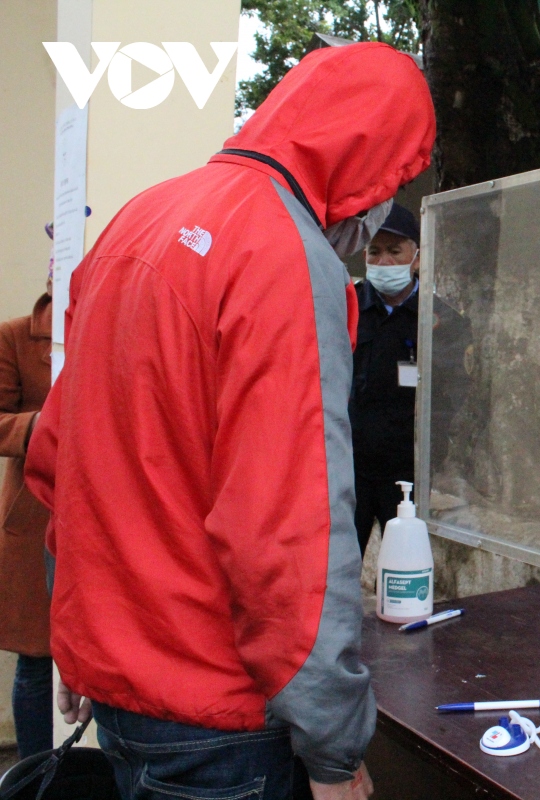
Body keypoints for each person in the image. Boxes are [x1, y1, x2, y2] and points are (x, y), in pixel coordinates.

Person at [23, 42, 434, 800]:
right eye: (391, 180)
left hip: (123, 684)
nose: (380, 209)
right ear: (363, 158)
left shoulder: (142, 215)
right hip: (217, 717)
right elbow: (287, 532)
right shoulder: (283, 253)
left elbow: (62, 458)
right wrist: (336, 749)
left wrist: (74, 642)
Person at [349, 205, 470, 555]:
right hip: (349, 468)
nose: (384, 262)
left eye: (394, 251)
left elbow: (452, 398)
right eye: (375, 252)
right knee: (336, 569)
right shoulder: (347, 307)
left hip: (406, 472)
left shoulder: (442, 322)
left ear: (416, 258)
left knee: (402, 569)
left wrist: (430, 461)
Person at [0, 266, 52, 759]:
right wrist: (40, 426)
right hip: (34, 516)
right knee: (36, 660)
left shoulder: (107, 326)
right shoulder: (15, 336)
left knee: (107, 653)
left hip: (102, 519)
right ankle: (34, 775)